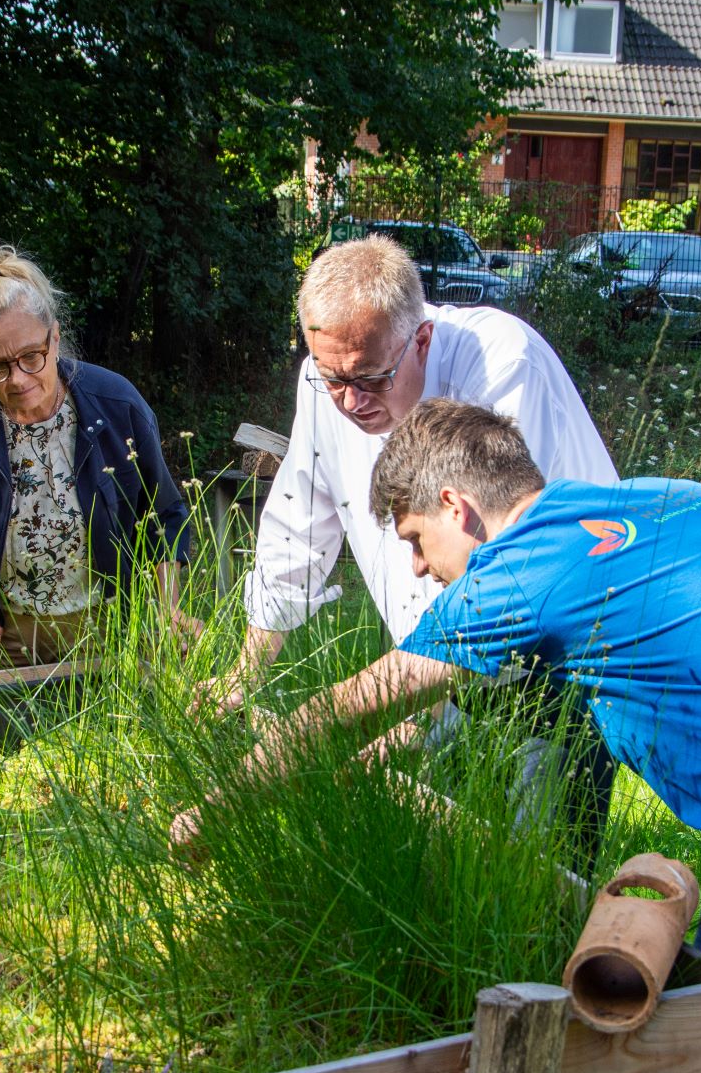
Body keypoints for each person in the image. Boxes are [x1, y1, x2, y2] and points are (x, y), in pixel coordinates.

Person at [173, 398, 701, 1073]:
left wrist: (215, 810)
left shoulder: (513, 573)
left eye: (415, 539)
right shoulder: (656, 499)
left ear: (457, 506)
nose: (416, 569)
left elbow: (340, 710)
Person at [207, 235, 619, 847]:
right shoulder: (324, 386)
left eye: (370, 378)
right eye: (333, 378)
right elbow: (298, 527)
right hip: (435, 668)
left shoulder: (502, 365)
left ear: (421, 339)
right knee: (443, 864)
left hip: (559, 659)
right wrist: (245, 671)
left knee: (537, 871)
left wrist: (404, 722)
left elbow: (500, 568)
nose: (351, 401)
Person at [0, 246, 197, 668]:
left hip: (108, 637)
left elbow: (164, 515)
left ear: (54, 338)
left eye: (31, 357)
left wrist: (166, 610)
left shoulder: (116, 406)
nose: (17, 379)